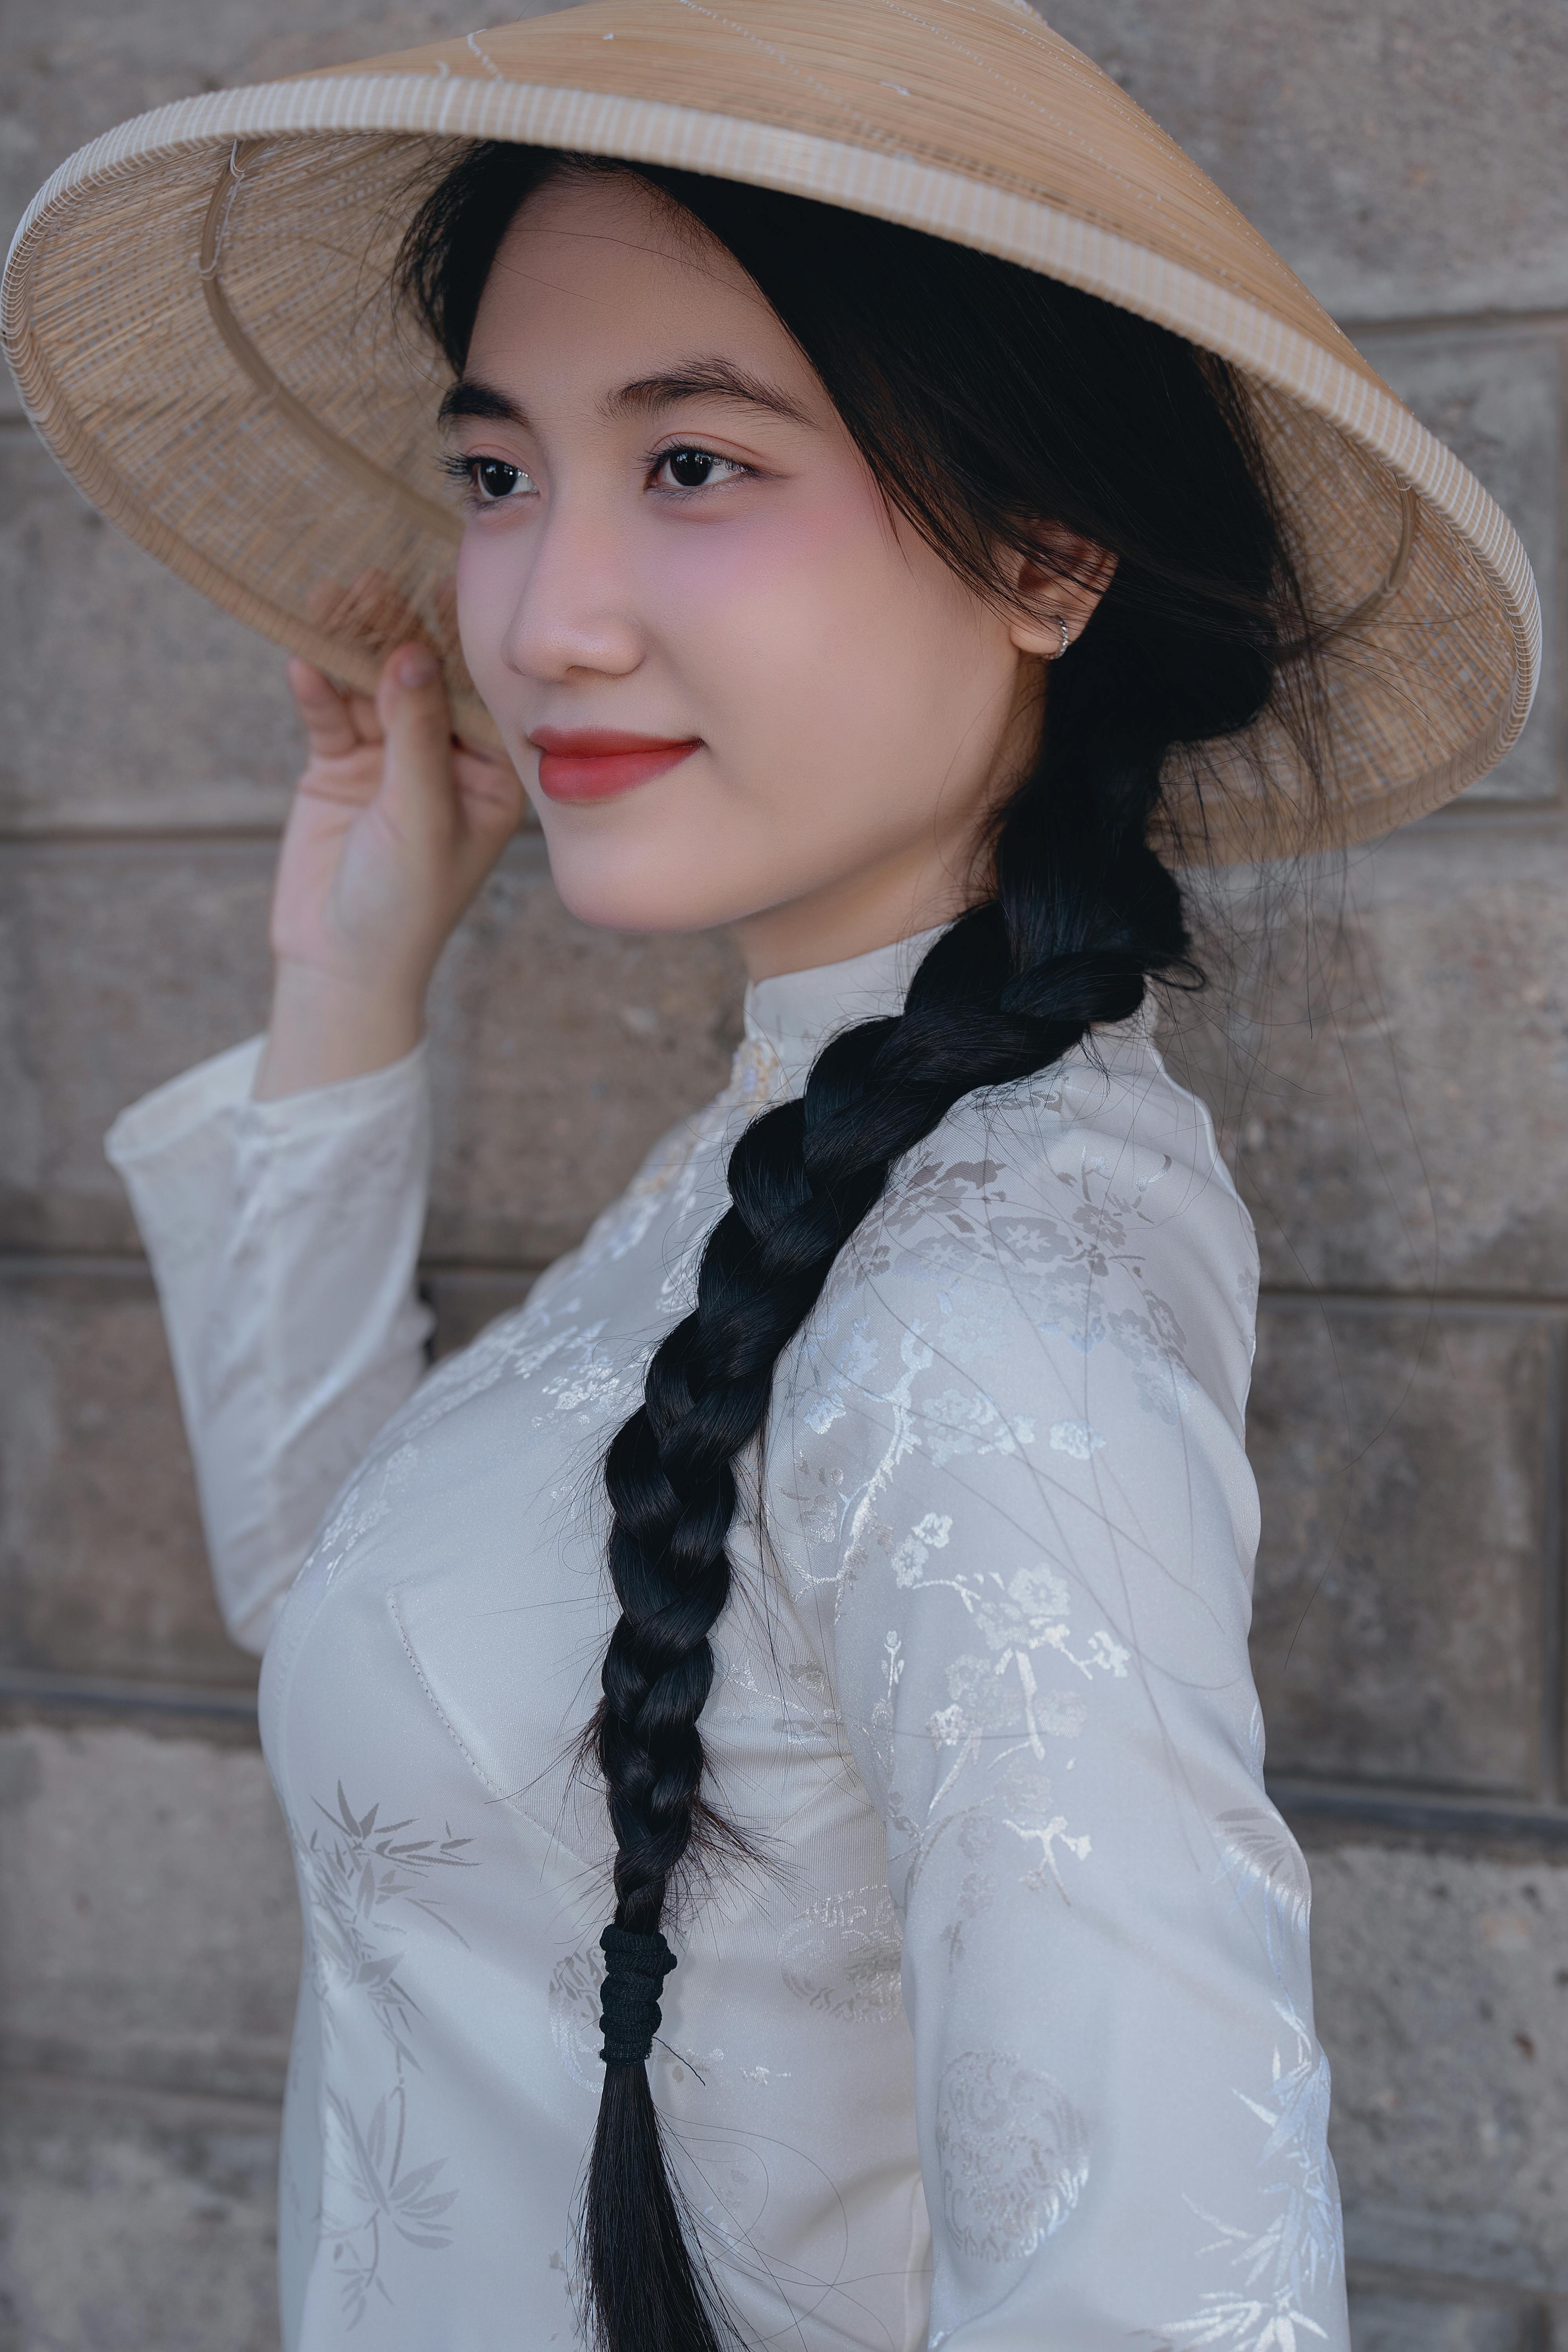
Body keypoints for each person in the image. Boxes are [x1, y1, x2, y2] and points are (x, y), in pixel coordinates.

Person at [4, 5, 1536, 2348]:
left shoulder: (992, 1325)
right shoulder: (800, 1156)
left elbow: (1164, 2296)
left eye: (697, 463)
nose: (545, 614)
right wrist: (348, 987)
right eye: (499, 475)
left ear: (1050, 546)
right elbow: (368, 1621)